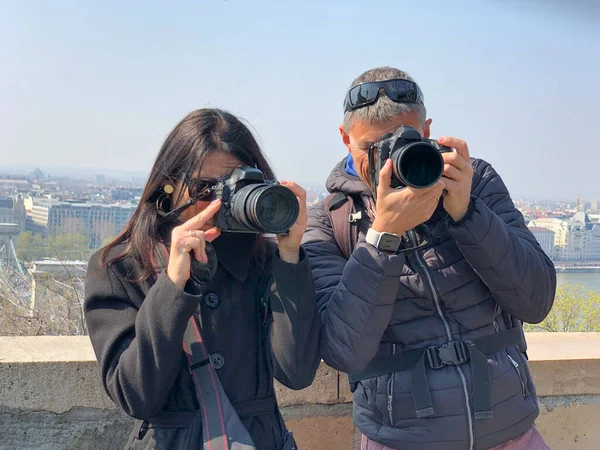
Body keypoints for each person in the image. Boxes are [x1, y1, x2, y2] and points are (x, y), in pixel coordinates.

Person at [302, 67, 556, 450]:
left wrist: (468, 214)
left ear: (427, 130)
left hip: (509, 434)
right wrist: (382, 236)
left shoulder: (475, 182)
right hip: (402, 440)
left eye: (402, 142)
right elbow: (343, 350)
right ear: (344, 138)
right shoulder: (330, 221)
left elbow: (536, 301)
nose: (387, 162)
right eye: (372, 148)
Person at [84, 108, 320, 450]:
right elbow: (136, 396)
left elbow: (297, 372)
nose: (220, 200)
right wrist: (173, 287)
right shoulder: (120, 267)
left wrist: (290, 256)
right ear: (168, 188)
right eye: (205, 188)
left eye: (237, 185)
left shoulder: (266, 260)